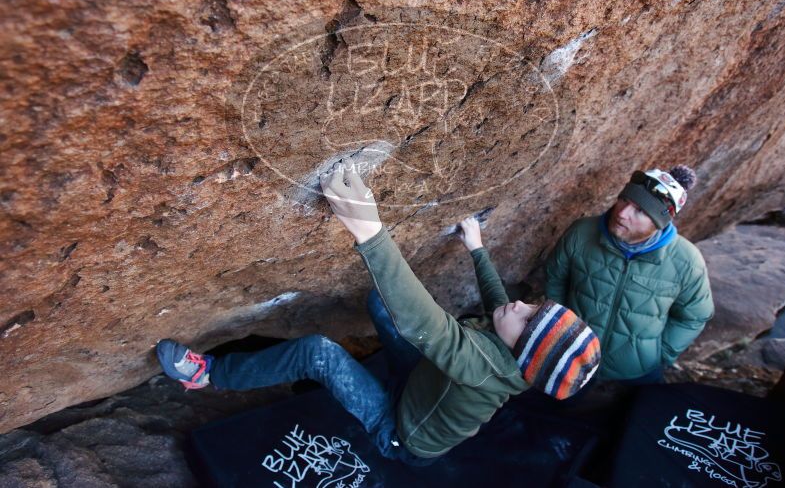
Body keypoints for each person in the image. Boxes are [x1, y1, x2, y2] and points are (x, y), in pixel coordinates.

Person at [155, 161, 600, 464]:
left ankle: (209, 374)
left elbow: (426, 324)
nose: (522, 304)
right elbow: (501, 308)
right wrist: (478, 250)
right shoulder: (511, 349)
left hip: (402, 432)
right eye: (535, 306)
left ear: (521, 353)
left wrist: (370, 231)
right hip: (424, 380)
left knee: (319, 353)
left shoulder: (481, 367)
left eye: (529, 317)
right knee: (378, 304)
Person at [545, 165, 714, 384]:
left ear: (659, 222)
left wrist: (661, 354)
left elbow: (695, 315)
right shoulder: (581, 233)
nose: (622, 213)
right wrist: (561, 331)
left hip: (639, 372)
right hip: (573, 358)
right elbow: (555, 278)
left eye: (641, 210)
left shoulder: (687, 261)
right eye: (625, 200)